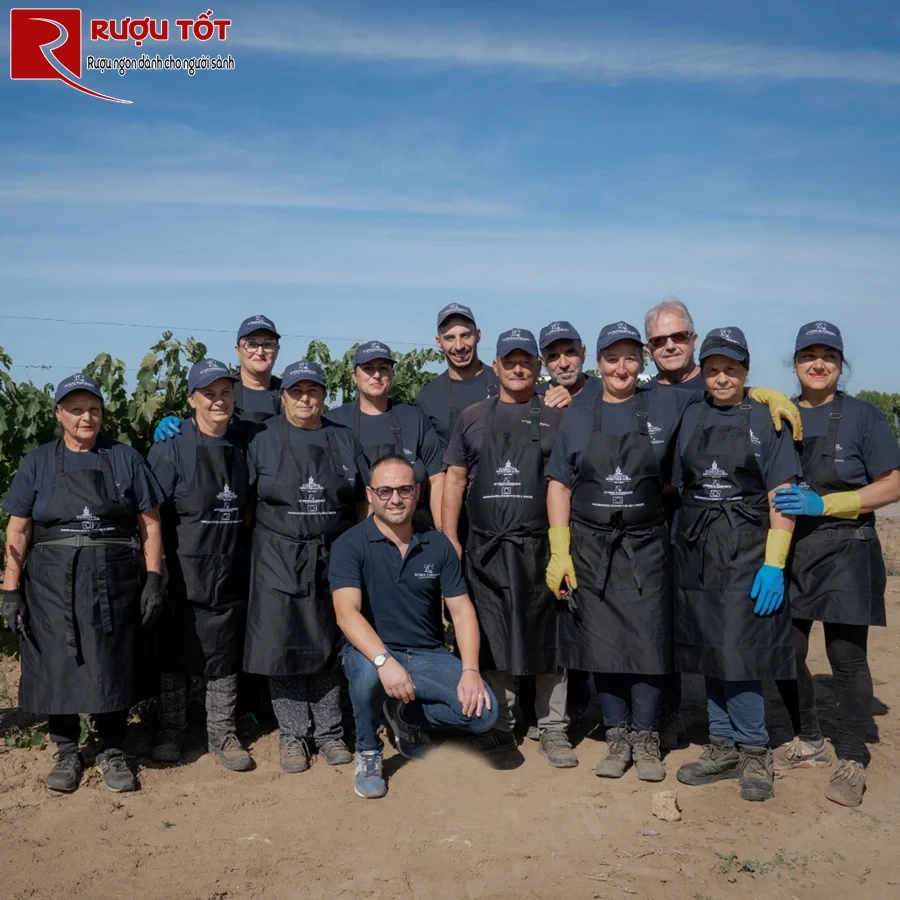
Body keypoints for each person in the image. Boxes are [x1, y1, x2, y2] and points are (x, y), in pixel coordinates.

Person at [546, 322, 705, 782]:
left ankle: (647, 737)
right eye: (612, 359)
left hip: (646, 545)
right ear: (598, 364)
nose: (621, 367)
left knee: (649, 643)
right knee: (605, 646)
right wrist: (561, 550)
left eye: (630, 357)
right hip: (592, 547)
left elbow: (720, 389)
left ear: (643, 361)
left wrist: (765, 395)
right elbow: (559, 483)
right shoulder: (579, 411)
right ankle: (618, 737)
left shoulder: (665, 402)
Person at [1, 374, 163, 794]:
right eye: (75, 409)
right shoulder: (37, 462)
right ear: (59, 414)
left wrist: (153, 578)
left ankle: (112, 748)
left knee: (111, 658)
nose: (85, 417)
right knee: (58, 659)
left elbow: (149, 523)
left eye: (93, 408)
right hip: (52, 579)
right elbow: (18, 530)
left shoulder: (125, 458)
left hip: (115, 576)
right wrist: (9, 589)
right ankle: (66, 749)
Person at [772, 322, 900, 808]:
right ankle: (809, 738)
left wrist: (827, 505)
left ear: (840, 364)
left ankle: (852, 756)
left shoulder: (864, 417)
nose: (818, 364)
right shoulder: (777, 416)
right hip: (791, 550)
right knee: (785, 650)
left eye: (828, 355)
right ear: (796, 363)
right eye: (809, 355)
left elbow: (891, 484)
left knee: (846, 659)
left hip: (848, 546)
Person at [671, 327, 801, 802]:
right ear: (702, 372)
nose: (721, 378)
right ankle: (721, 744)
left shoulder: (768, 419)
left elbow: (781, 497)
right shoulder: (690, 413)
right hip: (697, 548)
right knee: (709, 649)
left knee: (741, 652)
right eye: (712, 369)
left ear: (746, 371)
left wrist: (774, 563)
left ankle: (754, 750)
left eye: (731, 369)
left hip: (747, 548)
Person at [442, 328, 577, 768]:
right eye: (509, 361)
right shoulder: (472, 416)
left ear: (538, 366)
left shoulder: (562, 414)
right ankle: (503, 722)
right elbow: (456, 480)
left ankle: (553, 727)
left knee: (550, 635)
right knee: (494, 634)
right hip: (487, 547)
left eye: (526, 361)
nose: (518, 368)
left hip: (542, 545)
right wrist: (450, 540)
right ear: (495, 366)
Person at [331, 455, 498, 799]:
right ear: (371, 494)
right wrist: (384, 662)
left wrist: (470, 670)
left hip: (427, 655)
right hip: (373, 653)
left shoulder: (437, 544)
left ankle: (405, 714)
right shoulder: (350, 544)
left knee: (484, 714)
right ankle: (368, 751)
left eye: (405, 489)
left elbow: (463, 612)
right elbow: (347, 614)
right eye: (385, 490)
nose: (395, 498)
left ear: (418, 492)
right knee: (364, 674)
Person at [244, 360, 367, 772]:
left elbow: (360, 499)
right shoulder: (261, 438)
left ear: (324, 395)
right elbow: (246, 501)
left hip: (332, 553)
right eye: (297, 391)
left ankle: (330, 734)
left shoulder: (343, 438)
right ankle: (293, 735)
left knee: (329, 643)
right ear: (284, 396)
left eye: (313, 391)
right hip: (277, 555)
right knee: (283, 646)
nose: (305, 398)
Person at [146, 359, 254, 772]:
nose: (219, 401)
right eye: (209, 394)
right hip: (183, 566)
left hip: (228, 564)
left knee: (223, 654)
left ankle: (222, 732)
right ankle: (170, 729)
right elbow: (151, 515)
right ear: (192, 399)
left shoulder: (243, 444)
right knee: (175, 654)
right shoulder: (169, 449)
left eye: (226, 392)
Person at [327, 341, 445, 526]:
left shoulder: (414, 417)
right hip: (353, 532)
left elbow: (437, 478)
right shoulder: (334, 422)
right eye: (368, 368)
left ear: (392, 373)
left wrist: (442, 531)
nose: (376, 375)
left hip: (415, 530)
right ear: (354, 376)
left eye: (383, 368)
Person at [154, 314, 283, 439]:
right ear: (238, 350)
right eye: (251, 344)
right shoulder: (222, 389)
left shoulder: (289, 393)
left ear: (277, 350)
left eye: (268, 344)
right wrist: (178, 426)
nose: (259, 352)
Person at [414, 304, 500, 453]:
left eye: (465, 335)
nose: (459, 346)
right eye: (449, 338)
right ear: (439, 342)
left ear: (478, 334)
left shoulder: (502, 382)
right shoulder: (427, 397)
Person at [536, 320, 602, 408]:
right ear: (543, 361)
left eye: (570, 352)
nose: (564, 364)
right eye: (553, 356)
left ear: (583, 353)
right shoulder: (533, 399)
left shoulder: (606, 392)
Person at [644, 297, 704, 391]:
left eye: (678, 337)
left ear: (694, 341)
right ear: (649, 350)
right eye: (659, 340)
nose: (670, 346)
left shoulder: (720, 389)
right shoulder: (641, 399)